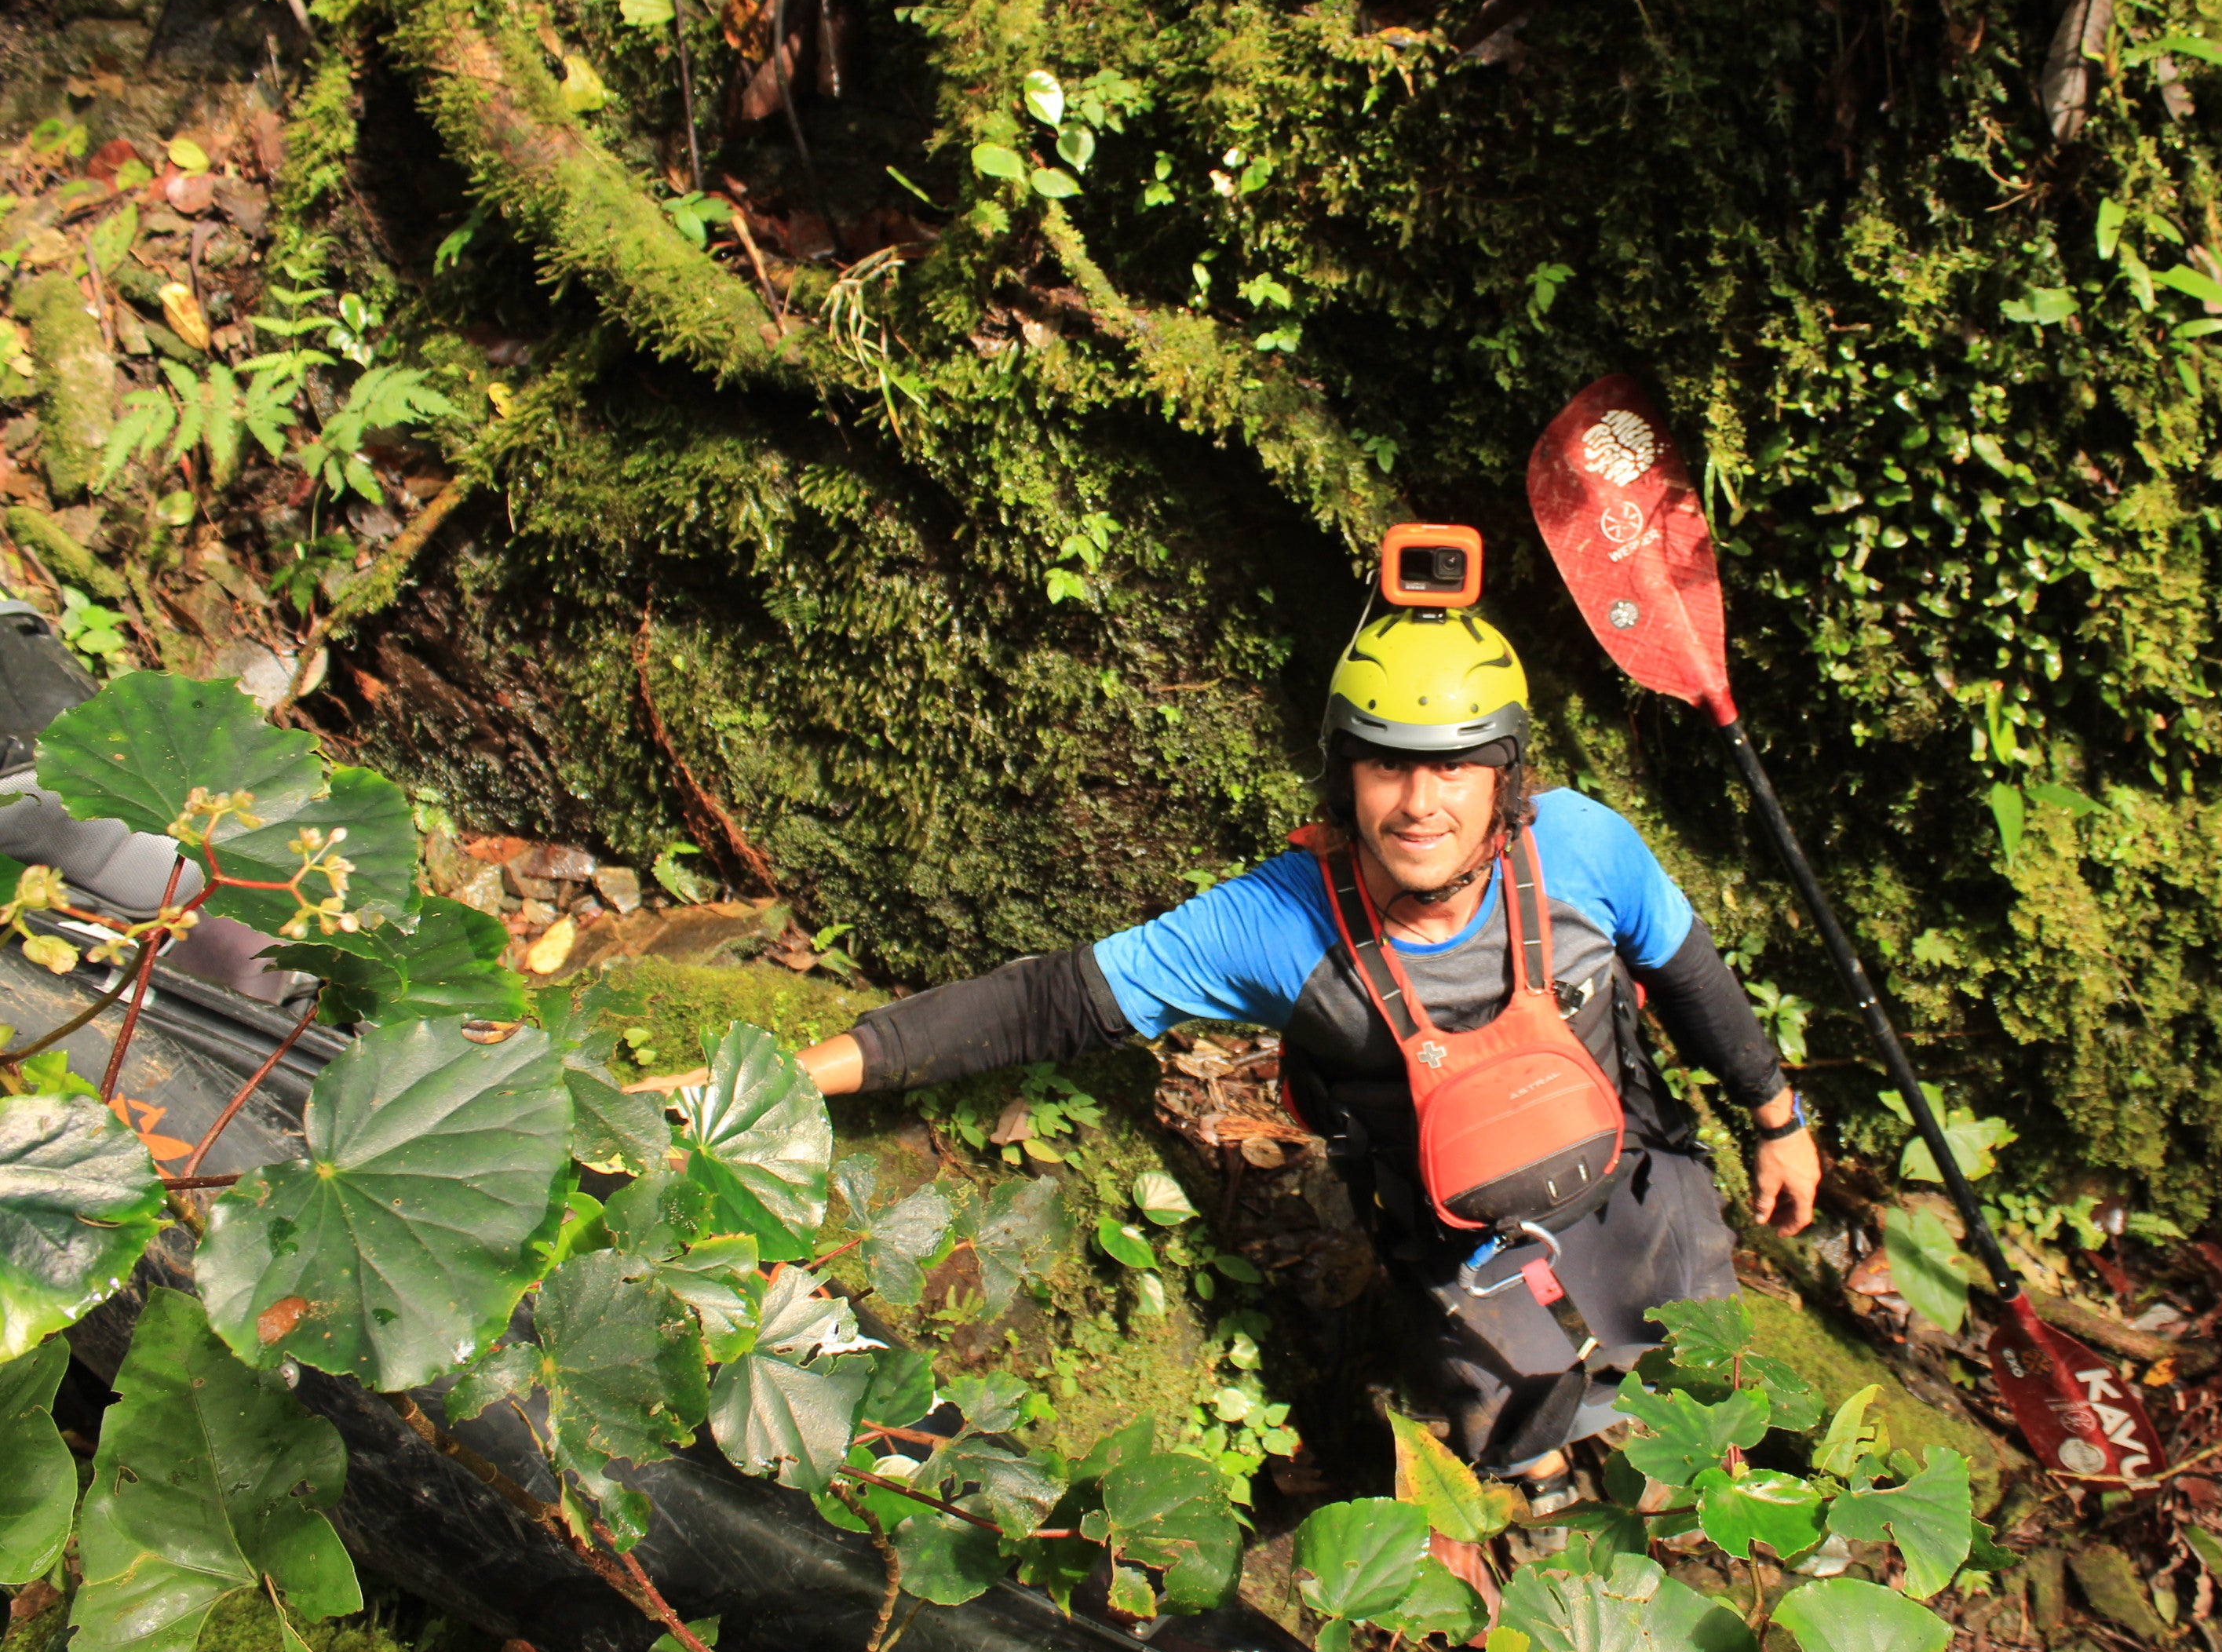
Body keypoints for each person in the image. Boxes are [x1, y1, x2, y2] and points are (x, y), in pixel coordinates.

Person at [637, 594, 1821, 1504]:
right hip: (1457, 1256)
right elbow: (1053, 1002)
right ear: (1340, 773)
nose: (1421, 802)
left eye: (1457, 764)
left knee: (1686, 1394)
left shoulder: (1586, 851)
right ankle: (1544, 1493)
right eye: (1386, 762)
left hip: (1642, 1190)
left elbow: (1689, 973)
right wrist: (782, 1080)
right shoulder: (1278, 923)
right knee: (1528, 1444)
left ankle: (1684, 1507)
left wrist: (1776, 1116)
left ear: (1508, 776)